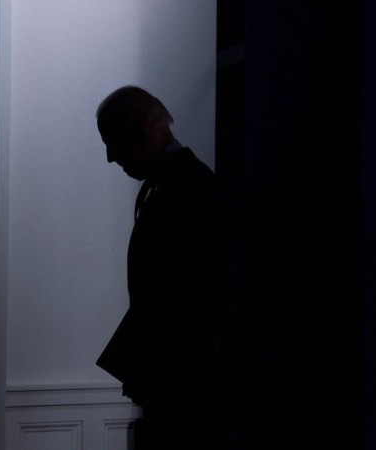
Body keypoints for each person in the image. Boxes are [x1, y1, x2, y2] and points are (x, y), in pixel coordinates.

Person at [95, 85, 230, 449]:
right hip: (169, 383)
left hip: (182, 385)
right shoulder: (165, 185)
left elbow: (188, 296)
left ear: (138, 130)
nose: (109, 157)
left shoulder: (190, 187)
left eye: (111, 140)